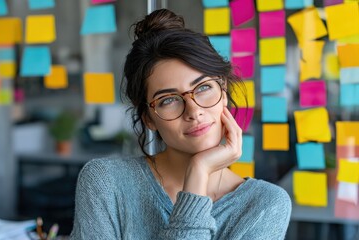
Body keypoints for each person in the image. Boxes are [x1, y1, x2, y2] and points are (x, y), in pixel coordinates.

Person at [70, 9, 291, 240]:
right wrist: (198, 176)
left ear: (223, 90)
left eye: (204, 88)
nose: (194, 111)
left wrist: (199, 170)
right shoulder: (106, 184)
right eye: (169, 100)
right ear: (148, 118)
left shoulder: (265, 204)